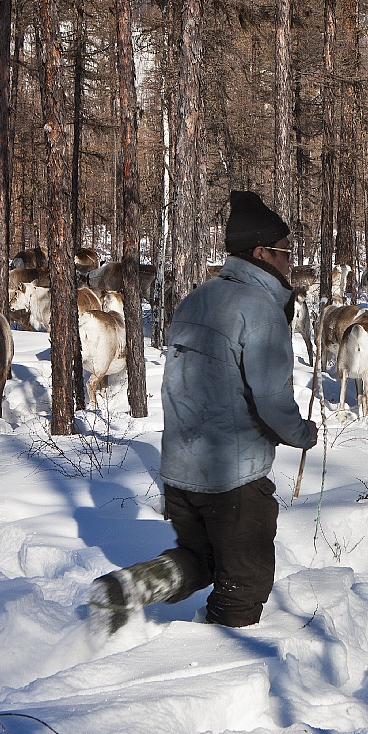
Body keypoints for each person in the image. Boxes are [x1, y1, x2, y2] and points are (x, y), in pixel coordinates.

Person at [90, 190, 318, 632]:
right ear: (261, 253)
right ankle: (214, 660)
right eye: (285, 252)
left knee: (202, 559)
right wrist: (301, 433)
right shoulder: (261, 311)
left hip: (180, 472)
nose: (290, 262)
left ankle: (127, 588)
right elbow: (272, 399)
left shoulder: (198, 298)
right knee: (244, 584)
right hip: (231, 479)